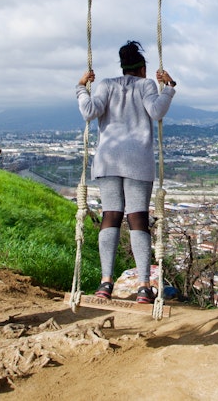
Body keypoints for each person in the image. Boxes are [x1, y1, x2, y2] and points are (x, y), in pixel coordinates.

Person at [76, 40, 176, 304]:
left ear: (123, 68)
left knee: (111, 215)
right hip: (137, 163)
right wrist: (169, 88)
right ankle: (144, 286)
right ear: (142, 69)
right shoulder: (146, 85)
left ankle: (105, 282)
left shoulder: (106, 85)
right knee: (137, 219)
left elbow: (89, 111)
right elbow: (156, 111)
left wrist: (80, 88)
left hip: (108, 160)